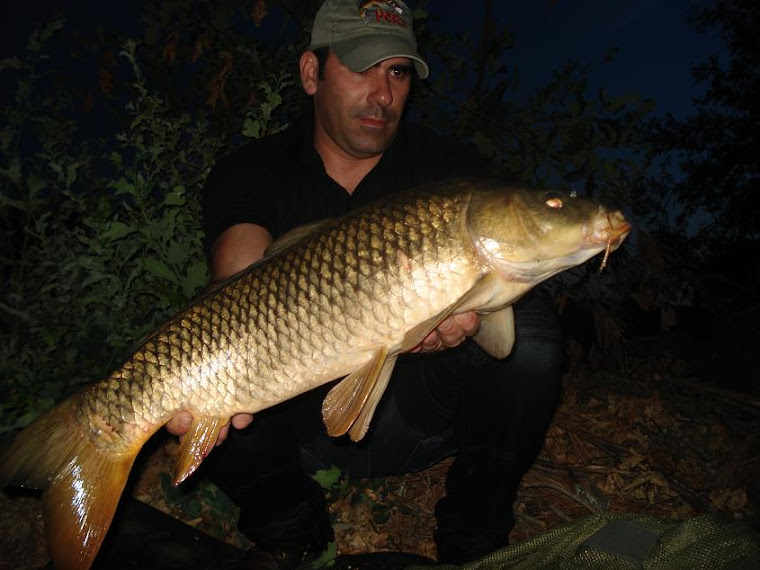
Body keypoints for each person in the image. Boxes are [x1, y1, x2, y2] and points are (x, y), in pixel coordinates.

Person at [167, 0, 563, 566]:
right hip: (297, 433)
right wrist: (209, 374)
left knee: (532, 329)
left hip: (422, 418)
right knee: (211, 344)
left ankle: (473, 539)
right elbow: (238, 269)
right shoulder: (253, 168)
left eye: (397, 72)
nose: (382, 95)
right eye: (361, 68)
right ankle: (292, 531)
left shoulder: (449, 168)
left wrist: (462, 319)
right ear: (312, 73)